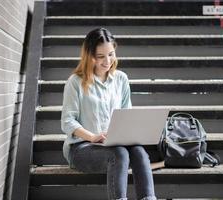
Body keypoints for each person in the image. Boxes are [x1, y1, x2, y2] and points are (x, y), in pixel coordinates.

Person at [61, 28, 157, 200]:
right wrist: (92, 137)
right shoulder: (75, 82)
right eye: (101, 56)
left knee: (139, 152)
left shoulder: (121, 79)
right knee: (119, 154)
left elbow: (127, 115)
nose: (108, 61)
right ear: (89, 55)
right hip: (82, 148)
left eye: (111, 54)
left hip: (114, 143)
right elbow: (67, 121)